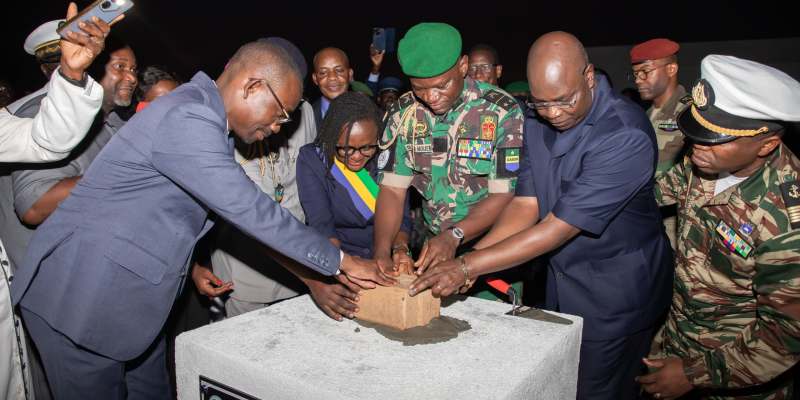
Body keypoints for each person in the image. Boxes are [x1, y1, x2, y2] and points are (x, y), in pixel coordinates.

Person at [11, 40, 392, 398]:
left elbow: (248, 217)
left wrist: (309, 275)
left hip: (135, 304)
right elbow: (251, 209)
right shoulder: (188, 115)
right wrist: (341, 261)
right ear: (252, 86)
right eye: (279, 114)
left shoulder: (210, 126)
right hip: (83, 300)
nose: (278, 127)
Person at [409, 31, 673, 400]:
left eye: (564, 101)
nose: (553, 113)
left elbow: (557, 229)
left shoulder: (624, 134)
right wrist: (470, 256)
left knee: (593, 391)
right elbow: (525, 205)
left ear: (589, 76)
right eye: (541, 103)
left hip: (616, 296)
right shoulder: (535, 120)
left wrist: (469, 267)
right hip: (561, 285)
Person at [638, 55, 800, 400]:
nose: (698, 144)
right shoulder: (705, 158)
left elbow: (786, 335)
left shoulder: (787, 220)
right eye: (698, 130)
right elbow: (656, 195)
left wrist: (693, 374)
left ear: (766, 144)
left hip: (735, 372)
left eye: (715, 137)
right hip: (676, 336)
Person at [0, 4, 114, 398]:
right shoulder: (25, 109)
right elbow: (33, 205)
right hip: (52, 284)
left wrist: (72, 72)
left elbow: (47, 140)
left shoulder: (14, 122)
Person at [373, 23, 523, 284]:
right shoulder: (403, 114)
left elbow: (503, 194)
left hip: (493, 246)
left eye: (442, 86)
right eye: (419, 88)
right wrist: (382, 251)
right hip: (435, 249)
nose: (431, 97)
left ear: (463, 66)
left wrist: (455, 236)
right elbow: (393, 191)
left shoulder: (501, 112)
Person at [191, 37, 321, 319]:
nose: (280, 122)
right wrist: (196, 263)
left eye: (290, 108)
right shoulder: (218, 126)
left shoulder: (305, 114)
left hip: (297, 258)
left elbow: (311, 181)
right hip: (243, 267)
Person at [630, 38, 689, 249]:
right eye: (635, 74)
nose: (638, 80)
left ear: (671, 68)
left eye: (645, 71)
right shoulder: (644, 115)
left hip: (676, 227)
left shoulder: (689, 114)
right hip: (646, 221)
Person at [311, 47, 353, 129]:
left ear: (350, 74)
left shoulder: (369, 112)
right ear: (315, 79)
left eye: (339, 70)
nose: (332, 77)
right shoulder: (306, 117)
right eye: (323, 72)